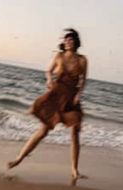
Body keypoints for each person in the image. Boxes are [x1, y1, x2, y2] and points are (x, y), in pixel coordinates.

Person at [8, 28, 87, 179]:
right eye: (66, 39)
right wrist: (49, 79)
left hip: (71, 98)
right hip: (56, 95)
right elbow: (48, 71)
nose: (68, 42)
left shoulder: (82, 60)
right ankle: (19, 158)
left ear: (76, 42)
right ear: (64, 43)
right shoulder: (59, 56)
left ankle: (74, 170)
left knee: (75, 132)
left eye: (71, 39)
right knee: (44, 129)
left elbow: (83, 80)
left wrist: (79, 94)